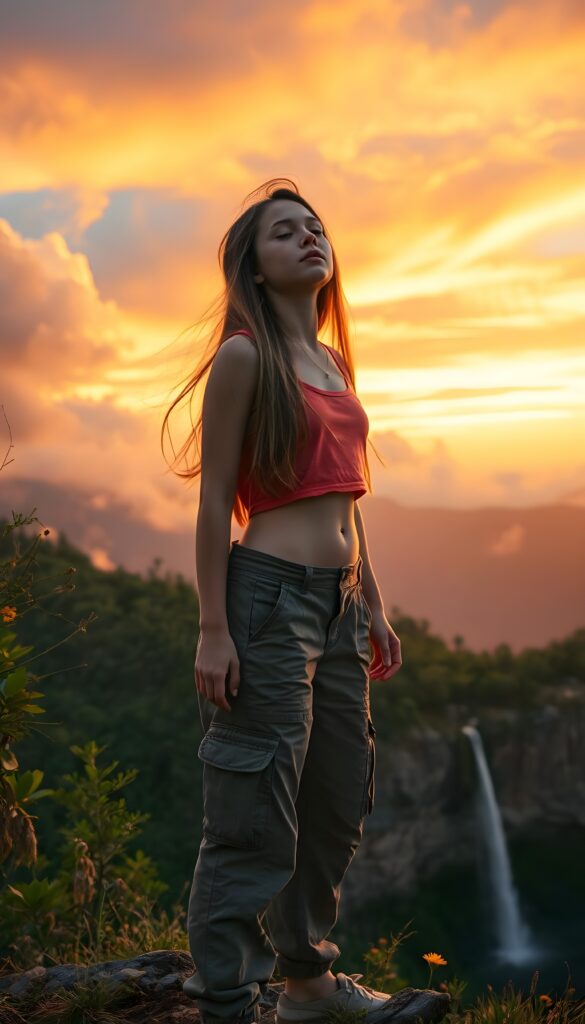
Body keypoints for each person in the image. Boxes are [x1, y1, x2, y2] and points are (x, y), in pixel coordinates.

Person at [162, 179, 450, 1024]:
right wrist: (213, 628)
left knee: (332, 799)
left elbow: (346, 500)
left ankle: (308, 986)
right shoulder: (245, 356)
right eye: (285, 232)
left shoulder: (331, 361)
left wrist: (376, 605)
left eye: (315, 228)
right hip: (265, 602)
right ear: (251, 263)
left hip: (340, 605)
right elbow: (216, 501)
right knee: (254, 808)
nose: (308, 238)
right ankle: (224, 998)